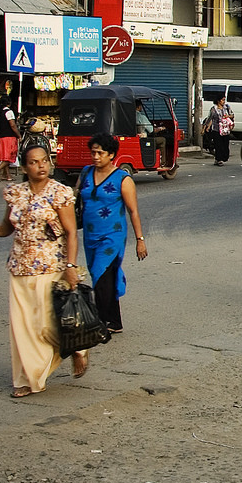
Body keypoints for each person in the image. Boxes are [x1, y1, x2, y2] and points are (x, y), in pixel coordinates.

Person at [0, 143, 88, 396]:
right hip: (19, 266)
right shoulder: (15, 193)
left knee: (46, 325)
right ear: (24, 166)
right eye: (34, 162)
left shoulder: (59, 192)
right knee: (22, 328)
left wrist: (71, 266)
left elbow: (72, 232)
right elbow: (8, 225)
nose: (41, 166)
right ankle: (27, 380)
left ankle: (76, 347)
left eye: (44, 161)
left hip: (51, 265)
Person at [75, 134, 147, 335]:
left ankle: (99, 322)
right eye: (93, 152)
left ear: (111, 155)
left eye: (100, 153)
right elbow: (74, 199)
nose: (96, 157)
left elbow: (133, 211)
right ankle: (114, 321)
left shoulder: (122, 179)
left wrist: (140, 240)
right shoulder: (86, 172)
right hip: (90, 235)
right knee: (104, 276)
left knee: (100, 274)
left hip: (112, 236)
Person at [134, 100, 167, 169]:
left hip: (135, 138)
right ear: (139, 107)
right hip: (144, 140)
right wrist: (161, 128)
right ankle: (163, 162)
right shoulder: (141, 117)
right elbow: (152, 130)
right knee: (162, 140)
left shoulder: (129, 116)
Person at [204, 94, 235, 167]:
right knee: (218, 145)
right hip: (216, 130)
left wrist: (228, 116)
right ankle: (218, 159)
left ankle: (223, 157)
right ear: (218, 101)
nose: (224, 101)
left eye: (224, 100)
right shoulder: (213, 109)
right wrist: (205, 127)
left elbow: (232, 115)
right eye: (222, 100)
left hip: (225, 129)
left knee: (225, 145)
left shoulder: (227, 107)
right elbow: (210, 118)